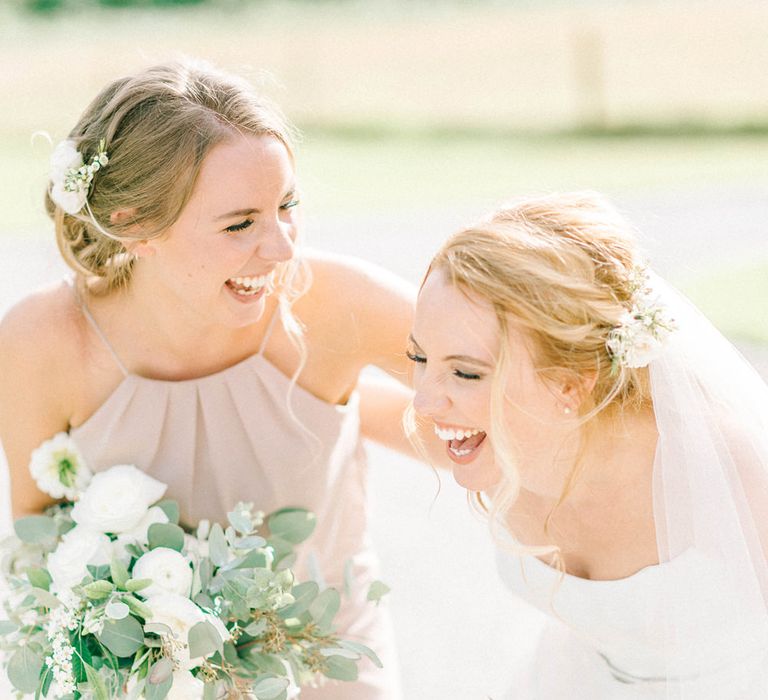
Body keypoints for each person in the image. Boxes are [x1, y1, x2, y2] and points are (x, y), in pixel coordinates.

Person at [0, 58, 414, 699]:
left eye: (288, 205)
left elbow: (493, 374)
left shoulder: (333, 304)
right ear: (137, 226)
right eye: (240, 223)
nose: (281, 248)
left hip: (327, 670)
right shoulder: (41, 344)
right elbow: (40, 550)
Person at [408, 191, 768, 699]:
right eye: (419, 357)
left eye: (466, 372)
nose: (423, 402)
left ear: (571, 384)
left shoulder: (734, 471)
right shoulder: (495, 438)